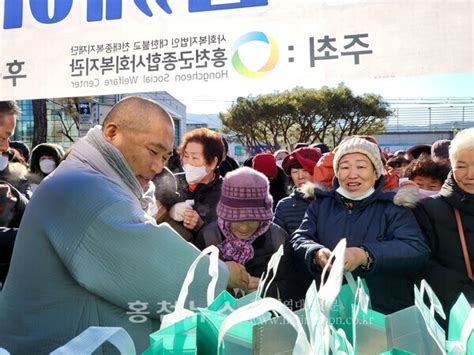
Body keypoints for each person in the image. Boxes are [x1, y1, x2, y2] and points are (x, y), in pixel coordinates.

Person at [0, 96, 232, 353]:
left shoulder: (88, 179)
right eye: (153, 151)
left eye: (165, 157)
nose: (157, 166)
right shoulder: (82, 188)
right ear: (112, 133)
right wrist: (223, 274)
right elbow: (162, 276)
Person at [291, 137, 430, 314]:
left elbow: (416, 248)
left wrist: (365, 255)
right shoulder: (321, 205)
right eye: (345, 167)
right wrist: (316, 253)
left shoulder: (394, 207)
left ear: (375, 172)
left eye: (361, 166)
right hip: (334, 307)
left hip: (384, 308)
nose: (352, 174)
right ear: (337, 172)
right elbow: (301, 237)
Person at [195, 167, 302, 306]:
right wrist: (221, 273)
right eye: (237, 220)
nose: (244, 228)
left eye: (252, 220)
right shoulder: (208, 238)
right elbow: (193, 286)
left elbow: (294, 288)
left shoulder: (278, 239)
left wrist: (266, 290)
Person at [413, 128, 474, 330]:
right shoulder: (428, 209)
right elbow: (424, 264)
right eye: (461, 166)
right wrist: (468, 301)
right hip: (452, 317)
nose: (470, 175)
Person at [169, 128, 225, 241]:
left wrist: (200, 226)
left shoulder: (226, 194)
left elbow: (226, 242)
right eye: (185, 156)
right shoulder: (173, 180)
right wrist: (169, 208)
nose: (188, 163)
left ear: (213, 163)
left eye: (195, 157)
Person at [274, 147, 322, 236]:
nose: (300, 176)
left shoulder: (332, 201)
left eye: (305, 170)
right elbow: (277, 242)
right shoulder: (284, 206)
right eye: (295, 172)